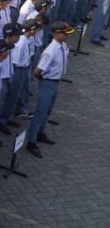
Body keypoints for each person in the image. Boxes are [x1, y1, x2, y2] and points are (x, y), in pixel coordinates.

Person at [27, 21, 75, 158]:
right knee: (40, 112)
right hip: (48, 83)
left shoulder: (62, 46)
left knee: (47, 111)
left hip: (55, 83)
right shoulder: (50, 51)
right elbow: (37, 71)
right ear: (57, 33)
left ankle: (40, 133)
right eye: (65, 33)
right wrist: (43, 79)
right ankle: (31, 142)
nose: (67, 36)